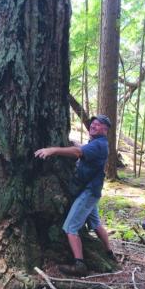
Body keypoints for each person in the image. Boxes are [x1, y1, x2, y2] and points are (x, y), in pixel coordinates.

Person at [34, 115, 115, 276]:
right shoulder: (97, 143)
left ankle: (80, 265)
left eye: (98, 125)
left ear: (105, 130)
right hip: (92, 190)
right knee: (95, 224)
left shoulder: (99, 145)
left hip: (88, 192)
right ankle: (109, 253)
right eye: (93, 123)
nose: (93, 125)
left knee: (70, 228)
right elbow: (81, 147)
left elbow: (78, 152)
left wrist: (53, 150)